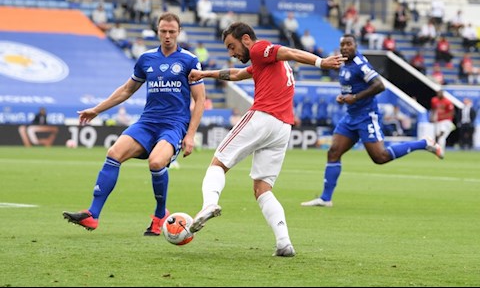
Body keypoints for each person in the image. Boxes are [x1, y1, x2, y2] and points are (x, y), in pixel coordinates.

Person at [187, 22, 346, 257]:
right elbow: (237, 74)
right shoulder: (264, 62)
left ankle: (209, 204)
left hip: (263, 117)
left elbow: (289, 52)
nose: (231, 53)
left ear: (247, 39)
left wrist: (320, 62)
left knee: (218, 163)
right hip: (282, 128)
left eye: (232, 46)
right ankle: (284, 243)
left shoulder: (259, 48)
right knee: (262, 188)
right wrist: (204, 74)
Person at [62, 13, 206, 236]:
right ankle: (93, 215)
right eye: (163, 31)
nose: (167, 36)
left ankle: (160, 215)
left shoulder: (189, 60)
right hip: (147, 122)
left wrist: (190, 135)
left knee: (156, 162)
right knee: (114, 152)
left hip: (174, 125)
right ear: (158, 31)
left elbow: (199, 100)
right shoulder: (146, 59)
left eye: (172, 32)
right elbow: (127, 90)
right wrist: (96, 109)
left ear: (179, 32)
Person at [301, 34, 444, 208]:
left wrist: (355, 97)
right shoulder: (344, 64)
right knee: (333, 152)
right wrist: (344, 97)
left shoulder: (360, 65)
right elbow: (351, 87)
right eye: (342, 45)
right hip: (351, 116)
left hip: (367, 116)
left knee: (380, 157)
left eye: (349, 44)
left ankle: (423, 143)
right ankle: (325, 198)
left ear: (356, 45)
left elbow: (379, 85)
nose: (345, 47)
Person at [430, 89, 455, 154]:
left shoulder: (447, 102)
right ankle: (437, 149)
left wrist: (441, 116)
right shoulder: (434, 100)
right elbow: (433, 109)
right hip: (438, 121)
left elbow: (451, 113)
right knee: (437, 136)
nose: (439, 95)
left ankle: (441, 151)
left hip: (446, 121)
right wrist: (432, 117)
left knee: (442, 136)